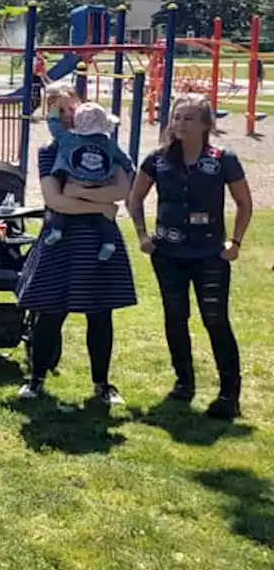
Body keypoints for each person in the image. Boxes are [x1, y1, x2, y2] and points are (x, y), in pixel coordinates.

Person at [128, 95, 252, 420]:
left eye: (189, 118)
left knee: (215, 319)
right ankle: (184, 382)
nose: (180, 124)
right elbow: (135, 199)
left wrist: (235, 242)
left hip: (210, 253)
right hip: (168, 253)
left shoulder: (223, 159)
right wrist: (143, 235)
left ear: (206, 125)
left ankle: (229, 394)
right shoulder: (157, 159)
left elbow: (244, 203)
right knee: (175, 316)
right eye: (177, 117)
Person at [17, 84, 137, 404]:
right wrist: (100, 206)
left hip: (98, 242)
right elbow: (55, 200)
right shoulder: (49, 151)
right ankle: (36, 380)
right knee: (49, 314)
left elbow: (122, 189)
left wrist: (80, 193)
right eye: (61, 110)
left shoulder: (104, 145)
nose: (69, 115)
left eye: (73, 107)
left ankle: (102, 385)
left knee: (100, 315)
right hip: (61, 241)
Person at [42, 101, 135, 262]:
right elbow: (125, 162)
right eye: (62, 110)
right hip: (100, 183)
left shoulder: (69, 139)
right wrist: (130, 169)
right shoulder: (109, 145)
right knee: (103, 219)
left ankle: (57, 229)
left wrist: (53, 115)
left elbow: (54, 128)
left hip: (75, 183)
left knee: (63, 209)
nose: (66, 114)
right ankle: (108, 242)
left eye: (70, 109)